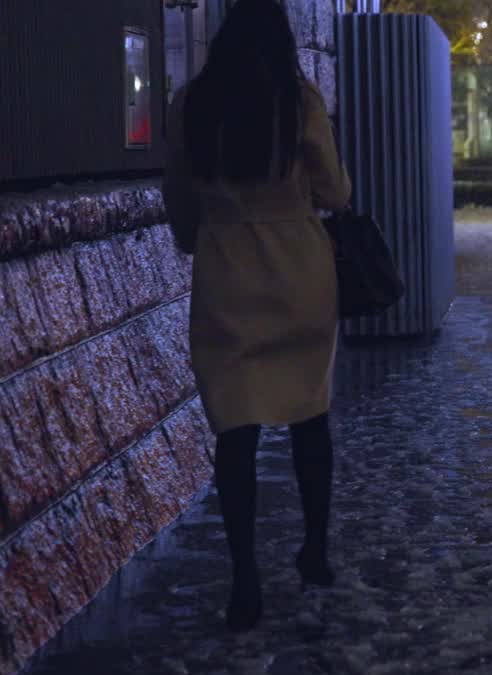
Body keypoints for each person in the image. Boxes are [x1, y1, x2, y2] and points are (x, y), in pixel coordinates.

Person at [162, 0, 351, 632]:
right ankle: (316, 550)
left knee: (235, 430)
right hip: (299, 272)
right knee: (308, 415)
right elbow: (335, 192)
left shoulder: (192, 105)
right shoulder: (297, 102)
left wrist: (199, 236)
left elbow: (180, 197)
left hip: (227, 273)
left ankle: (245, 577)